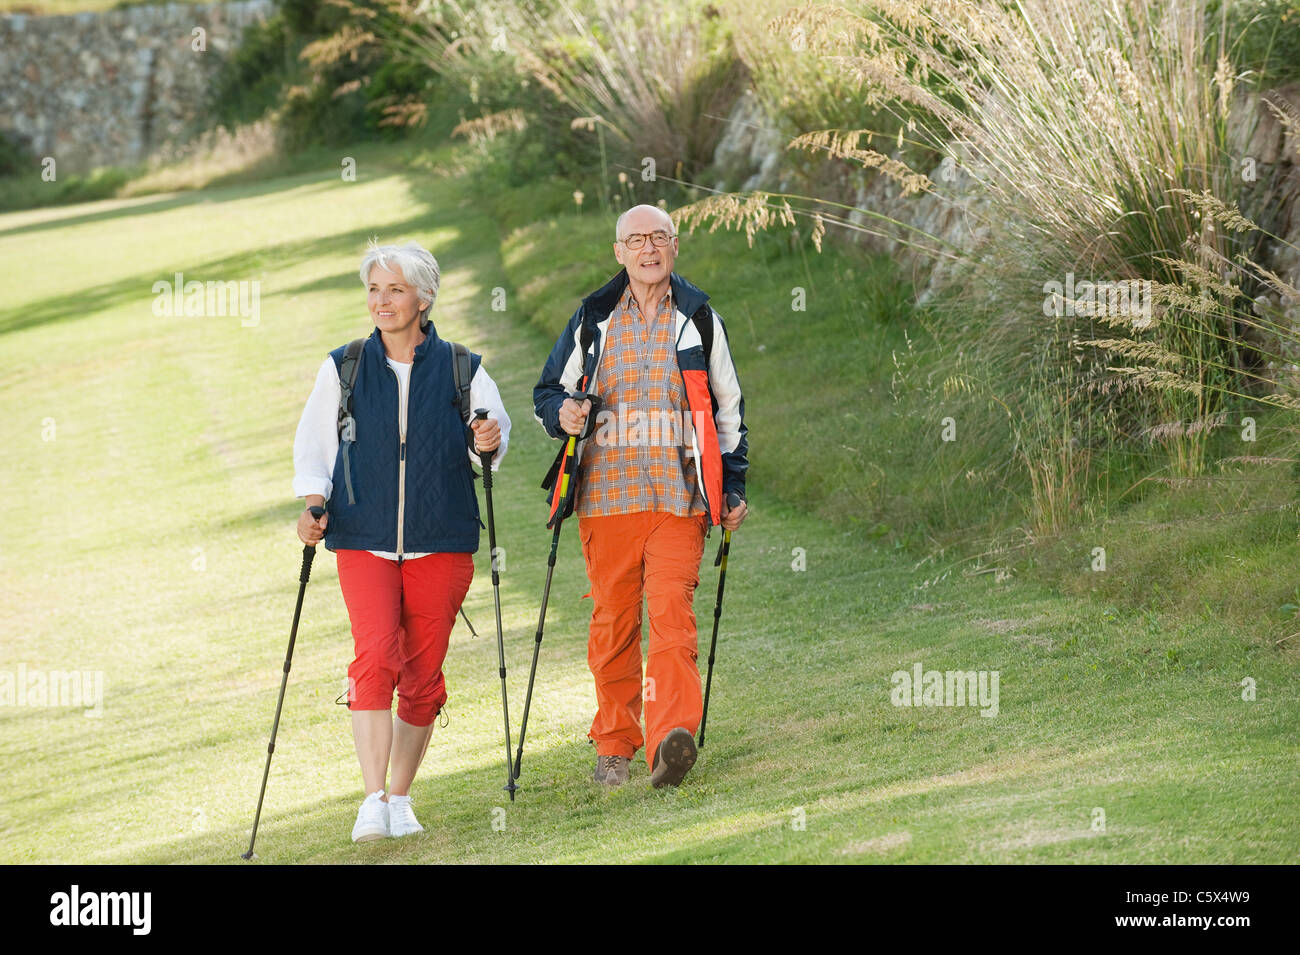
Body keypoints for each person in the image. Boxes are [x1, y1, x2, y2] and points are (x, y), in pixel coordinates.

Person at [292, 240, 510, 841]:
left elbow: (489, 436)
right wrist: (313, 504)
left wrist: (487, 440)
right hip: (362, 538)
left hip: (441, 539)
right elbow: (316, 449)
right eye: (373, 289)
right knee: (375, 658)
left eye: (394, 289)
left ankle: (400, 796)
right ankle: (370, 799)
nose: (381, 301)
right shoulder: (345, 365)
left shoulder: (462, 366)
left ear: (424, 296)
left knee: (422, 673)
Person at [533, 204, 749, 788]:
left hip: (681, 501)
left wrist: (732, 485)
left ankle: (669, 744)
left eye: (659, 238)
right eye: (636, 240)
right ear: (619, 252)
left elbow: (728, 410)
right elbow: (546, 392)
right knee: (613, 626)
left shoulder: (700, 319)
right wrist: (565, 413)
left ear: (674, 247)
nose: (648, 249)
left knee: (673, 619)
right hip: (606, 501)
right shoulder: (592, 319)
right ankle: (615, 743)